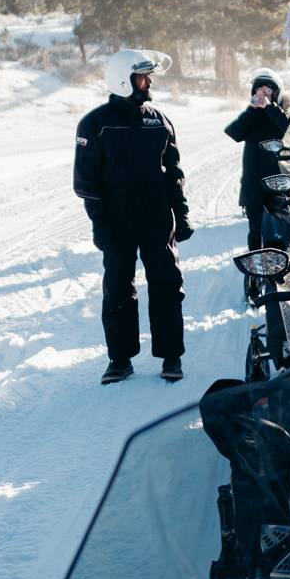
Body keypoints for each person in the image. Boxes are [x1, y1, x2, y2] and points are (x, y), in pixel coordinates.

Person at [74, 49, 192, 386]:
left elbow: (174, 172)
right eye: (143, 75)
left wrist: (181, 214)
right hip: (116, 219)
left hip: (156, 216)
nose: (149, 81)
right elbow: (86, 182)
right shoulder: (95, 124)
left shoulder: (160, 120)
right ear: (124, 79)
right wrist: (100, 223)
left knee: (167, 283)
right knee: (118, 287)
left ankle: (171, 355)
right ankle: (120, 359)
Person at [224, 67, 290, 254]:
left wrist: (270, 107)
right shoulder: (252, 117)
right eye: (259, 90)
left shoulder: (281, 114)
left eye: (267, 90)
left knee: (282, 226)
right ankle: (255, 270)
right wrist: (252, 110)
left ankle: (284, 262)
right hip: (253, 183)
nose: (263, 94)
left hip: (278, 182)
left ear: (276, 92)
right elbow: (233, 132)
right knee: (255, 231)